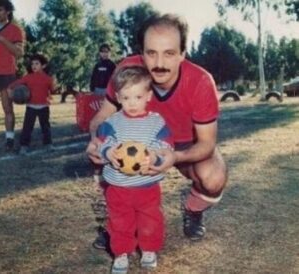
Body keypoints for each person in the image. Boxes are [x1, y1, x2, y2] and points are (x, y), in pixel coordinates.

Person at [87, 13, 228, 246]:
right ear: (141, 53)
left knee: (214, 178)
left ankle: (193, 209)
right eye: (151, 53)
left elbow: (206, 143)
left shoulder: (201, 81)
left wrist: (174, 156)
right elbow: (101, 117)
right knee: (110, 163)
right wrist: (95, 140)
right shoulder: (127, 70)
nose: (160, 63)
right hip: (132, 140)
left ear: (183, 53)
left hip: (184, 145)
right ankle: (118, 224)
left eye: (169, 53)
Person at [96, 65, 174, 274]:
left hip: (147, 186)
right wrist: (108, 152)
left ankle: (149, 249)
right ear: (118, 98)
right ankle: (121, 253)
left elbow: (166, 146)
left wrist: (156, 155)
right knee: (120, 221)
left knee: (150, 219)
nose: (132, 103)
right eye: (126, 97)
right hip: (118, 187)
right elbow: (102, 143)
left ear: (148, 96)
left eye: (137, 97)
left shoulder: (156, 123)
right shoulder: (112, 122)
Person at [8, 53, 55, 154]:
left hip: (44, 107)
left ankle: (48, 144)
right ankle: (24, 146)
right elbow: (14, 84)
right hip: (31, 107)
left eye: (37, 63)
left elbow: (52, 90)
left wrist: (50, 94)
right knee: (27, 128)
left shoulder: (48, 79)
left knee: (45, 127)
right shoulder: (28, 77)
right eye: (32, 64)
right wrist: (10, 90)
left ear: (43, 65)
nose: (34, 66)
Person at [0, 0, 25, 151]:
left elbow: (19, 53)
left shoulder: (15, 29)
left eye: (0, 9)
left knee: (7, 108)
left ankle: (9, 138)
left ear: (7, 11)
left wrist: (2, 39)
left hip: (6, 73)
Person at [89, 43, 116, 184]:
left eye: (106, 52)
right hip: (97, 90)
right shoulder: (97, 65)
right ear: (99, 53)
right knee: (97, 113)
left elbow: (114, 79)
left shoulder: (112, 65)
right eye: (102, 52)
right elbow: (93, 78)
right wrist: (92, 88)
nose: (104, 54)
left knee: (107, 114)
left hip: (107, 90)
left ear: (109, 53)